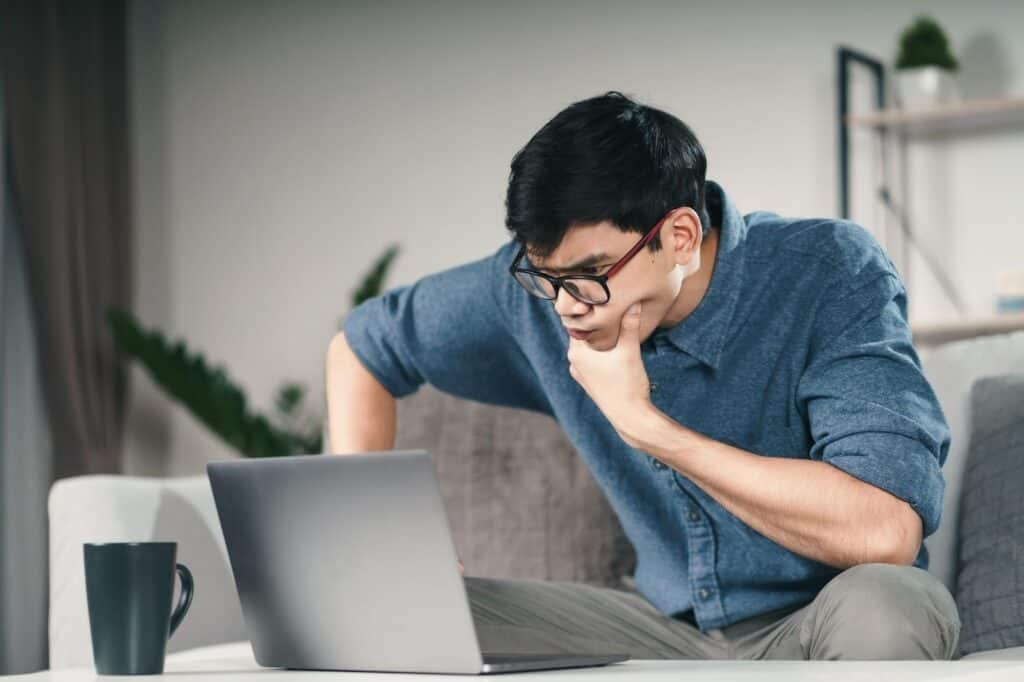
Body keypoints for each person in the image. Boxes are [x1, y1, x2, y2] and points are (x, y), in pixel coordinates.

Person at [324, 91, 960, 660]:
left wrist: (647, 427)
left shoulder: (828, 269)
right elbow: (359, 348)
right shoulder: (541, 293)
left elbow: (885, 530)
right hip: (655, 630)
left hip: (820, 622)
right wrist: (378, 539)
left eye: (591, 273)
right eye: (546, 276)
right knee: (400, 614)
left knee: (889, 605)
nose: (567, 305)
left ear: (680, 236)